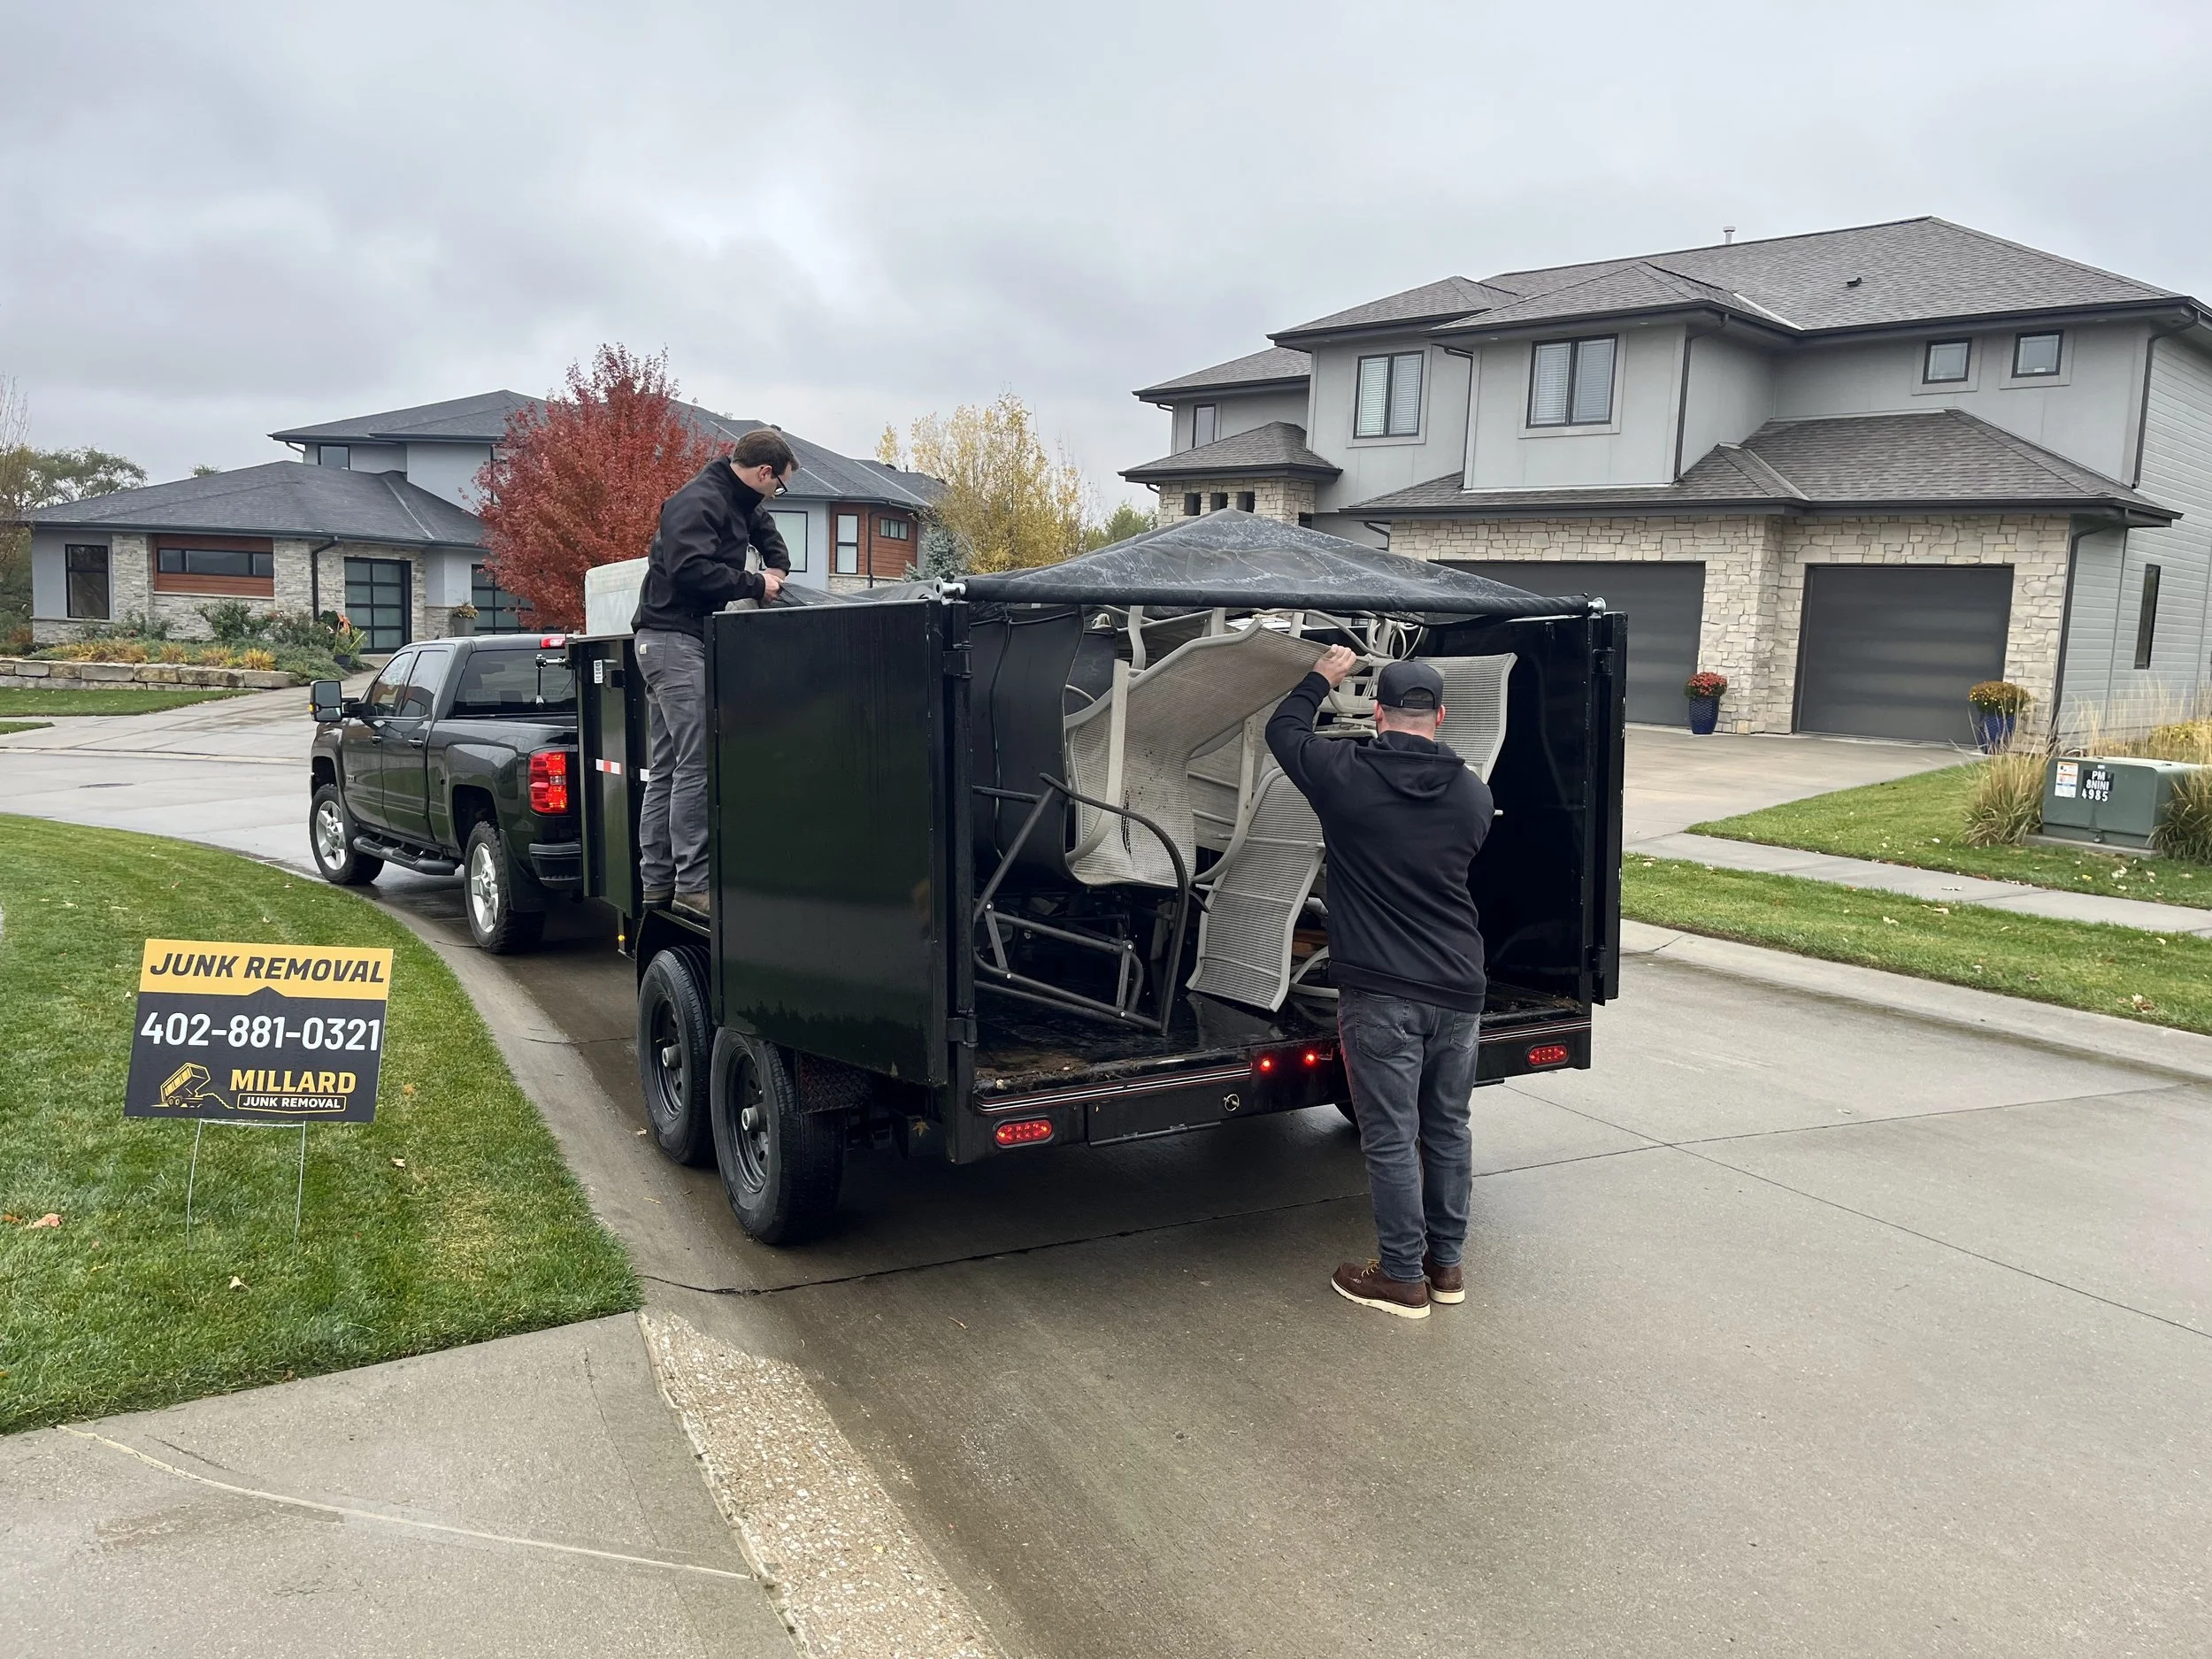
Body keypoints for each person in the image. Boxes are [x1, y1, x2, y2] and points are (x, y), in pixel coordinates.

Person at [1266, 647, 1494, 1320]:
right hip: (1459, 986)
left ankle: (1400, 1277)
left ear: (1377, 711)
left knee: (1392, 1136)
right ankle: (1444, 1268)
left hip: (1382, 992)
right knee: (1447, 1128)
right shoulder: (1473, 793)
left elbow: (1285, 731)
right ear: (1442, 716)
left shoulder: (1344, 774)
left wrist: (1320, 677)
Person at [631, 427, 798, 922]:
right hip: (673, 641)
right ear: (764, 472)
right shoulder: (698, 501)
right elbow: (689, 570)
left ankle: (656, 884)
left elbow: (760, 524)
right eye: (779, 485)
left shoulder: (735, 498)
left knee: (667, 768)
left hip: (669, 642)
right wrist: (753, 583)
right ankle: (693, 885)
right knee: (696, 765)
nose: (776, 494)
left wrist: (779, 566)